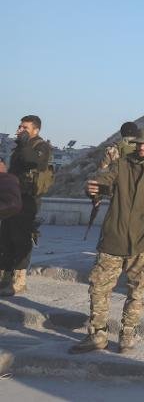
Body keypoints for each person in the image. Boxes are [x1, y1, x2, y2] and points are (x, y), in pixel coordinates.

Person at [70, 127, 144, 354]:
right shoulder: (121, 165)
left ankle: (127, 334)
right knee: (99, 288)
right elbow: (104, 183)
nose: (141, 147)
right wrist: (93, 189)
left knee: (137, 292)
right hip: (114, 238)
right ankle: (97, 334)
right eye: (139, 143)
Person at [0, 115, 52, 297]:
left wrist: (24, 144)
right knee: (5, 237)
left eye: (25, 128)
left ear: (35, 130)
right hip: (12, 199)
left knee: (21, 238)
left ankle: (19, 281)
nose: (20, 130)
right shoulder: (19, 147)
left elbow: (34, 162)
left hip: (28, 200)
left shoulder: (41, 146)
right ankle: (4, 278)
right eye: (20, 127)